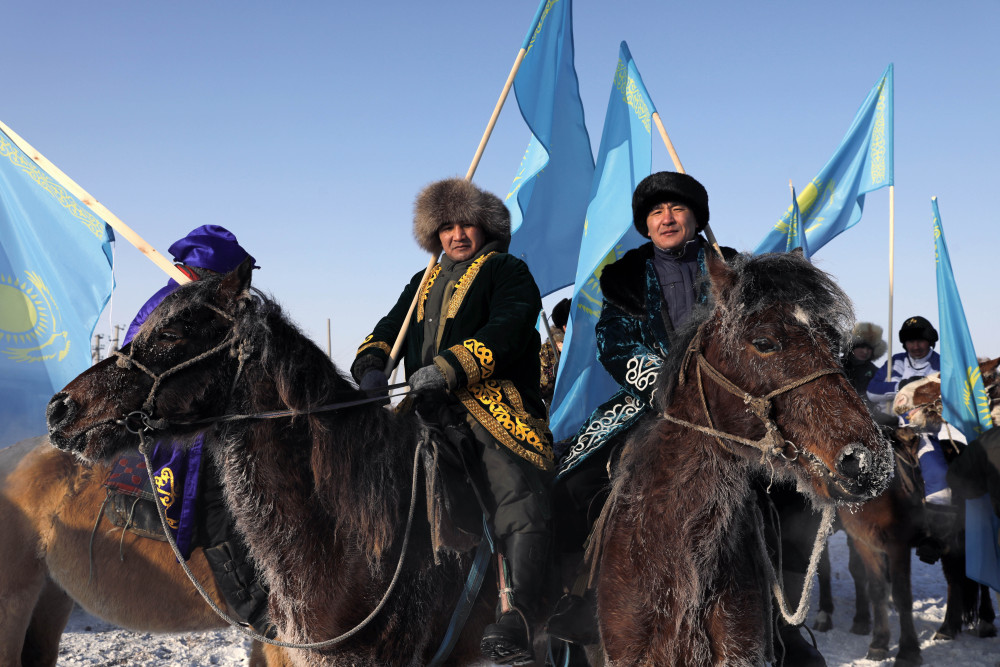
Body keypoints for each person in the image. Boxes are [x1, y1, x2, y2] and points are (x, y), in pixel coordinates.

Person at [350, 178, 553, 665]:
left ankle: (519, 613)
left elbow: (508, 326)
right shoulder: (421, 281)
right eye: (446, 227)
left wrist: (448, 368)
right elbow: (388, 328)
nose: (457, 235)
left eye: (466, 224)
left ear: (485, 228)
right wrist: (372, 365)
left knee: (515, 491)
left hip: (491, 403)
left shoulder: (507, 270)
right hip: (421, 409)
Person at [122, 225, 272, 636]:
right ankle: (249, 599)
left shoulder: (193, 302)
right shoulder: (173, 306)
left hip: (202, 415)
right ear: (210, 276)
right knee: (219, 494)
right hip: (172, 426)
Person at [539, 297, 570, 409]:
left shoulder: (591, 341)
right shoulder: (549, 349)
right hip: (563, 410)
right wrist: (557, 369)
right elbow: (541, 388)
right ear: (565, 327)